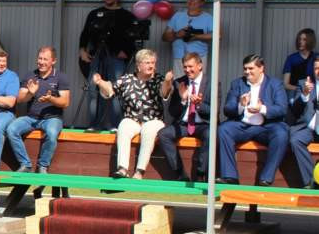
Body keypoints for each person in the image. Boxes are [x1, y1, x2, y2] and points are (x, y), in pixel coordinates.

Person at [92, 49, 173, 179]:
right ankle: (122, 169)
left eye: (153, 62)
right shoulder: (127, 79)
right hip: (133, 119)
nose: (151, 66)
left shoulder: (159, 79)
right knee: (123, 127)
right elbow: (110, 90)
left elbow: (164, 92)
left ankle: (139, 171)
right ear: (138, 65)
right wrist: (100, 82)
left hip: (154, 120)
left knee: (149, 131)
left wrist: (168, 81)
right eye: (147, 62)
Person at [217, 54, 289, 186]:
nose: (247, 72)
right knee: (224, 129)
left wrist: (262, 109)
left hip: (266, 127)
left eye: (251, 68)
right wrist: (241, 105)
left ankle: (266, 178)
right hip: (243, 126)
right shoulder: (237, 84)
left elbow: (282, 109)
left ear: (261, 68)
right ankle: (230, 176)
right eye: (245, 69)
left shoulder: (275, 84)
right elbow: (227, 108)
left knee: (281, 133)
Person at [78, 0, 138, 131]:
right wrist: (82, 50)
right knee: (93, 89)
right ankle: (93, 125)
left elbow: (134, 37)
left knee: (116, 89)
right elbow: (85, 34)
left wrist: (127, 51)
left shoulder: (127, 16)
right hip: (97, 55)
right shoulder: (94, 14)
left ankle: (116, 126)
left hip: (116, 58)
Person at [7, 46, 71, 174]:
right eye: (39, 58)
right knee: (11, 129)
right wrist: (30, 93)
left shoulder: (60, 77)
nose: (41, 62)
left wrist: (50, 99)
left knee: (52, 134)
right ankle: (26, 164)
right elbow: (19, 98)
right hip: (31, 117)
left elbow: (65, 102)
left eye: (45, 59)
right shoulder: (31, 75)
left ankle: (43, 166)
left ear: (53, 61)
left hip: (52, 118)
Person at [157, 53, 212, 182]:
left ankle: (200, 173)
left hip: (204, 124)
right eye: (185, 67)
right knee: (164, 135)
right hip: (184, 124)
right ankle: (180, 174)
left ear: (200, 66)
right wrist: (183, 100)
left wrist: (198, 105)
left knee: (211, 135)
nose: (187, 70)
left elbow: (214, 110)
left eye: (190, 66)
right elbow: (172, 112)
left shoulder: (212, 83)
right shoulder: (179, 83)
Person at [163, 0, 213, 75]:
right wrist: (177, 35)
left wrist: (196, 36)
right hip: (179, 57)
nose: (191, 1)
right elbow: (164, 37)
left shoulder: (208, 18)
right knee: (179, 85)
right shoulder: (177, 16)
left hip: (199, 57)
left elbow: (217, 35)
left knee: (197, 86)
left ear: (202, 2)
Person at [288, 56, 319, 188]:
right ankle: (311, 181)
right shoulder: (303, 84)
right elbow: (295, 111)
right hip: (309, 128)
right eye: (316, 68)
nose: (318, 71)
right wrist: (305, 95)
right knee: (295, 140)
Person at [282, 28, 316, 94]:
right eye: (299, 39)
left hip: (313, 93)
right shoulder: (291, 58)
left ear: (310, 41)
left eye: (304, 40)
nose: (300, 42)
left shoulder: (316, 58)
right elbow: (285, 84)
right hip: (296, 93)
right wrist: (300, 89)